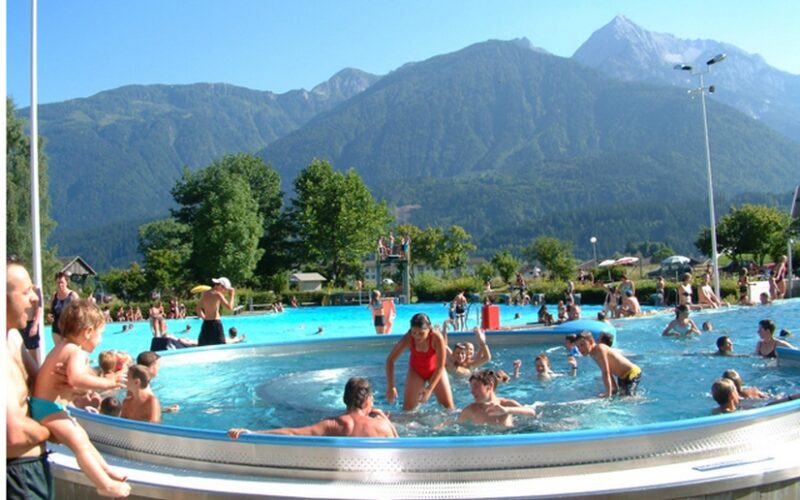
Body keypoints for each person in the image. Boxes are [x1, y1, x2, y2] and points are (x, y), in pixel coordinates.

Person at [31, 299, 130, 497]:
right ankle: (104, 485)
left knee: (83, 438)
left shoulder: (63, 346)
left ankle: (105, 469)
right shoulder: (76, 351)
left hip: (46, 406)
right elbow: (76, 379)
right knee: (80, 445)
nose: (100, 340)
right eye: (100, 333)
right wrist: (107, 383)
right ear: (88, 331)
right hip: (48, 408)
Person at [7, 258, 56, 500]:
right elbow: (13, 434)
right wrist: (55, 429)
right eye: (26, 292)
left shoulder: (13, 337)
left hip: (31, 470)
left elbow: (42, 385)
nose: (35, 299)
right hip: (16, 476)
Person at [228, 377, 398, 438]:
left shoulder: (333, 424)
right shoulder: (381, 425)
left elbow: (293, 433)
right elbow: (401, 449)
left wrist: (253, 432)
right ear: (367, 400)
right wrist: (386, 421)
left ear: (345, 399)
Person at [385, 313, 455, 411]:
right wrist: (390, 386)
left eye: (421, 333)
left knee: (448, 408)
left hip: (435, 370)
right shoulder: (408, 338)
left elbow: (440, 366)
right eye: (414, 332)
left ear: (429, 329)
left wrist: (429, 389)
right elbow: (390, 360)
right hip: (416, 371)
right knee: (408, 409)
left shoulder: (436, 338)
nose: (417, 336)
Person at [456, 370, 536, 427]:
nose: (472, 391)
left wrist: (507, 410)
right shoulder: (470, 410)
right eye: (471, 387)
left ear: (490, 386)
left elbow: (531, 413)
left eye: (476, 387)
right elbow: (455, 426)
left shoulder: (505, 404)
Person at [576, 331, 641, 398]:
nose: (580, 349)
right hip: (622, 377)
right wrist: (613, 389)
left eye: (582, 345)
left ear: (591, 341)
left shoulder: (600, 349)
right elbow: (608, 371)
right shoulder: (593, 354)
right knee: (622, 396)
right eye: (577, 347)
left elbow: (605, 372)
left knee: (629, 398)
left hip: (632, 372)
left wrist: (608, 393)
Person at [196, 277, 236, 346]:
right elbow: (230, 307)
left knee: (203, 346)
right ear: (220, 286)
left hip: (206, 323)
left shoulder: (205, 294)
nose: (224, 291)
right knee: (221, 346)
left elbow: (198, 309)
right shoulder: (217, 294)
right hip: (216, 324)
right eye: (224, 289)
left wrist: (204, 317)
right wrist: (232, 295)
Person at [50, 270, 80, 344]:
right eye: (58, 283)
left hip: (69, 329)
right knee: (59, 349)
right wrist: (49, 317)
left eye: (62, 282)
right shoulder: (54, 296)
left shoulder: (73, 295)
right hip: (56, 330)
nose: (60, 285)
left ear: (66, 282)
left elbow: (80, 312)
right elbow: (51, 312)